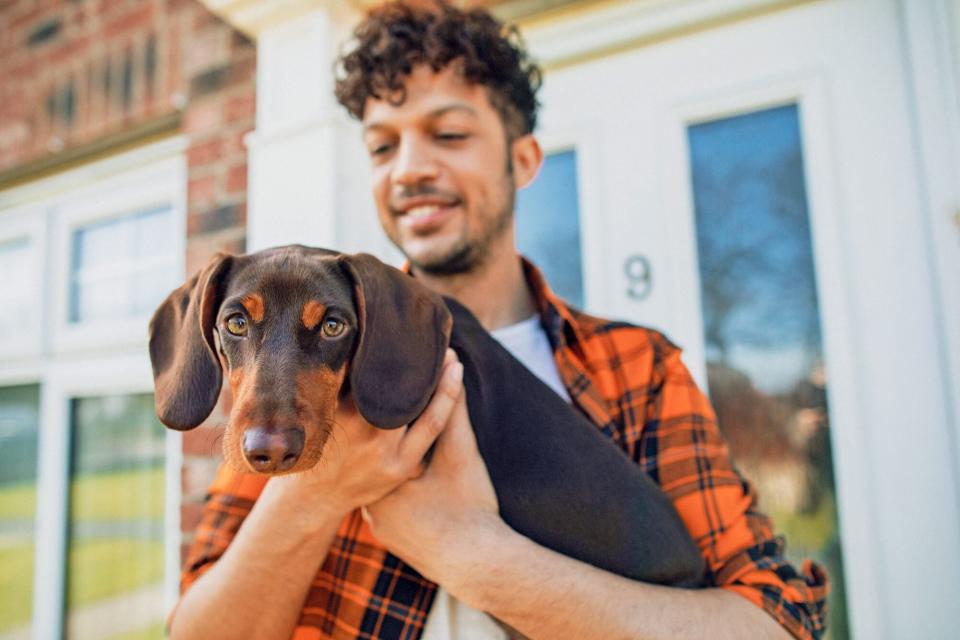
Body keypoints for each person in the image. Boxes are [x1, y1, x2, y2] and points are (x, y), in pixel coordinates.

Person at [167, 2, 827, 639]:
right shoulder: (293, 392)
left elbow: (773, 626)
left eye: (449, 134)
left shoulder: (639, 369)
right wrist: (312, 493)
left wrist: (467, 551)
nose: (410, 169)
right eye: (381, 146)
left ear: (523, 160)